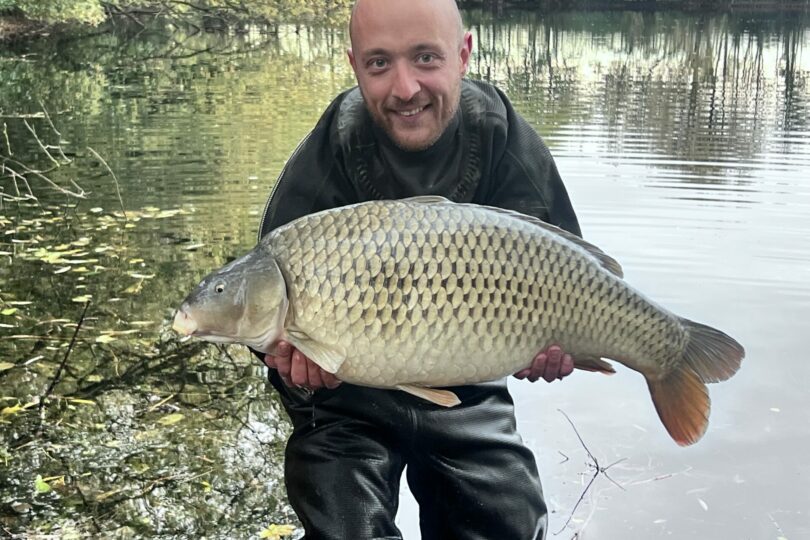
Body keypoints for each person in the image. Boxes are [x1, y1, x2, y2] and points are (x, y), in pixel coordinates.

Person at [258, 0, 580, 538]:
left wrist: (552, 347)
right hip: (344, 393)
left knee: (506, 525)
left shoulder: (505, 143)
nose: (406, 88)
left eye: (425, 58)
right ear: (354, 64)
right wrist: (287, 359)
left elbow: (570, 278)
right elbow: (256, 302)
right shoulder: (324, 157)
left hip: (464, 383)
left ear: (463, 54)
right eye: (379, 63)